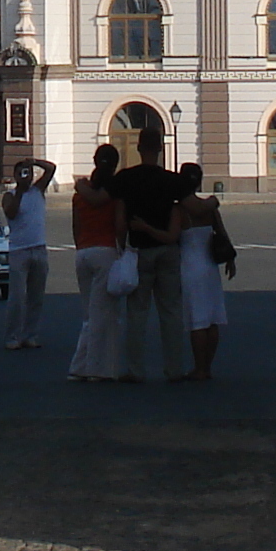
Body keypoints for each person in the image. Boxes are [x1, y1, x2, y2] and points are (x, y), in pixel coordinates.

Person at [109, 124, 191, 382]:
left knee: (137, 312)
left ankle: (136, 370)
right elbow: (190, 208)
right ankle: (174, 369)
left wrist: (121, 247)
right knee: (171, 312)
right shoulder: (172, 181)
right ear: (159, 148)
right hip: (168, 250)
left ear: (138, 147)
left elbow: (119, 219)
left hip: (139, 250)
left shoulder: (125, 179)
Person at [66, 146, 125, 381]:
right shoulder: (115, 193)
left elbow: (76, 227)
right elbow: (119, 225)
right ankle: (97, 369)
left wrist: (81, 246)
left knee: (90, 314)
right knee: (105, 314)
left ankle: (81, 366)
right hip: (106, 251)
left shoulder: (80, 195)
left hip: (84, 252)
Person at [176, 162, 233, 381]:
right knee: (212, 319)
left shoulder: (180, 210)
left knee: (197, 321)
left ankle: (199, 367)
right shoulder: (208, 208)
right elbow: (221, 231)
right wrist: (230, 258)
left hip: (190, 268)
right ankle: (207, 367)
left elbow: (172, 236)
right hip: (210, 266)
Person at [0, 155, 57, 349]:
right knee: (17, 297)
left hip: (38, 249)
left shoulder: (38, 191)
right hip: (19, 251)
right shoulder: (10, 195)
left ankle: (30, 335)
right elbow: (11, 213)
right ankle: (12, 336)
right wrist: (20, 192)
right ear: (15, 176)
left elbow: (51, 169)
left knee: (36, 297)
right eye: (22, 173)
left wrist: (33, 162)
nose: (27, 176)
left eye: (29, 173)